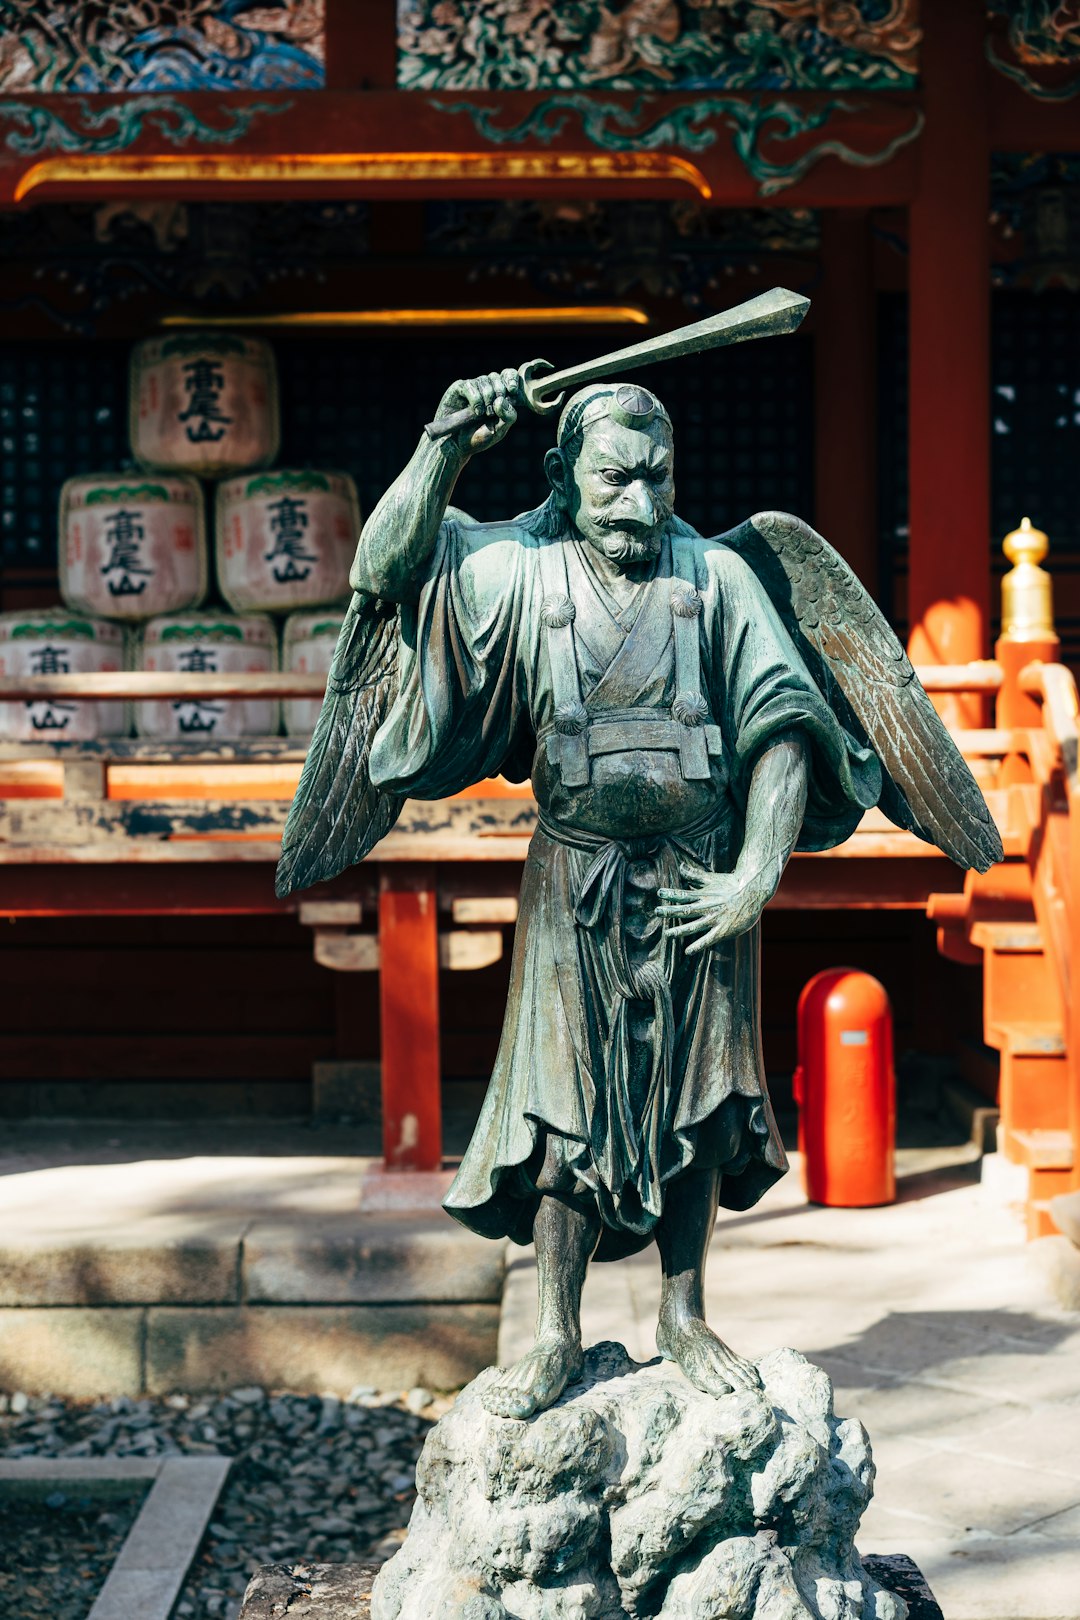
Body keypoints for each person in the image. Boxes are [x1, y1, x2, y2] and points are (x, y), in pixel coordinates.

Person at [344, 368, 882, 1419]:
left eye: (658, 478)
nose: (639, 504)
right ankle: (555, 1328)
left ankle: (683, 1313)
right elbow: (382, 574)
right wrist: (444, 442)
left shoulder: (717, 578)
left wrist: (756, 873)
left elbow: (783, 729)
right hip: (572, 878)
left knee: (703, 1101)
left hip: (701, 875)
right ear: (561, 474)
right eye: (614, 481)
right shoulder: (521, 570)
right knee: (561, 1110)